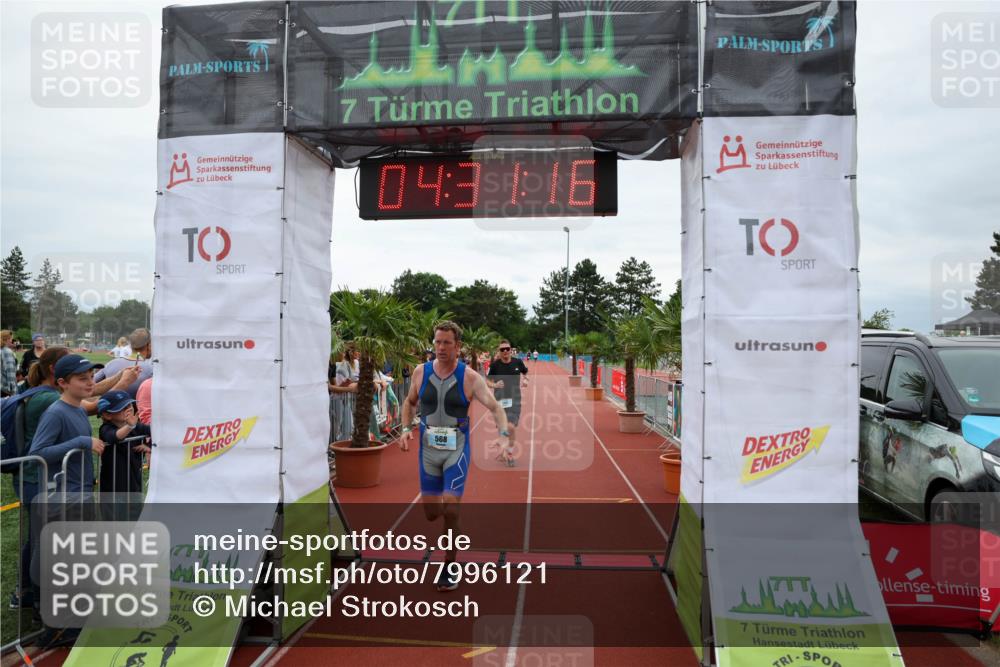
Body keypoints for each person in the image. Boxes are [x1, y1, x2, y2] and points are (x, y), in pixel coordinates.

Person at [400, 321, 510, 592]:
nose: (440, 348)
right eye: (437, 342)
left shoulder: (469, 378)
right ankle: (453, 524)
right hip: (428, 451)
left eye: (446, 343)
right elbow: (409, 402)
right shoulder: (420, 372)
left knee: (450, 507)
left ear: (457, 346)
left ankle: (450, 563)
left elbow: (496, 408)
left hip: (456, 449)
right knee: (431, 514)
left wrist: (503, 435)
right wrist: (405, 429)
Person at [97, 390, 151, 500]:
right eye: (123, 407)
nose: (129, 409)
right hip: (113, 486)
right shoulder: (105, 428)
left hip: (134, 480)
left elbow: (154, 431)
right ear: (107, 415)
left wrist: (149, 446)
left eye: (130, 405)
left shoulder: (136, 426)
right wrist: (129, 426)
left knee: (135, 507)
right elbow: (113, 437)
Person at [487, 340, 529, 466]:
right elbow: (488, 381)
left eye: (507, 349)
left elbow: (525, 372)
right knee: (502, 428)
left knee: (510, 426)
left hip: (515, 400)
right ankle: (503, 450)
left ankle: (509, 453)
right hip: (499, 401)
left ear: (511, 350)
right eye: (502, 349)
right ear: (499, 351)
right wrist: (495, 385)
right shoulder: (495, 365)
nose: (505, 351)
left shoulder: (518, 362)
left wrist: (526, 380)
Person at [94, 328, 153, 398]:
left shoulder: (110, 364)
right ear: (148, 345)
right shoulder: (151, 370)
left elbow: (90, 384)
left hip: (108, 404)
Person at [1, 330, 17, 396]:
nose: (12, 340)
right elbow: (10, 371)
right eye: (11, 338)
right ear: (7, 339)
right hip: (5, 389)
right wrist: (13, 390)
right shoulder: (7, 351)